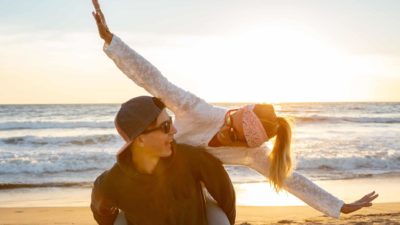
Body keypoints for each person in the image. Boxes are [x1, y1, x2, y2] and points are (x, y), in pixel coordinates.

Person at [91, 0, 378, 219]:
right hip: (150, 173)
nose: (228, 134)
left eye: (234, 137)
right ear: (233, 115)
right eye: (231, 125)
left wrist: (338, 206)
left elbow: (291, 180)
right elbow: (153, 79)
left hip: (192, 189)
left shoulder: (252, 153)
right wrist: (112, 42)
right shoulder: (197, 111)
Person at [91, 96, 236, 225]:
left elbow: (226, 197)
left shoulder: (193, 159)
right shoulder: (112, 183)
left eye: (170, 121)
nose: (174, 130)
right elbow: (102, 212)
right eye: (165, 126)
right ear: (140, 139)